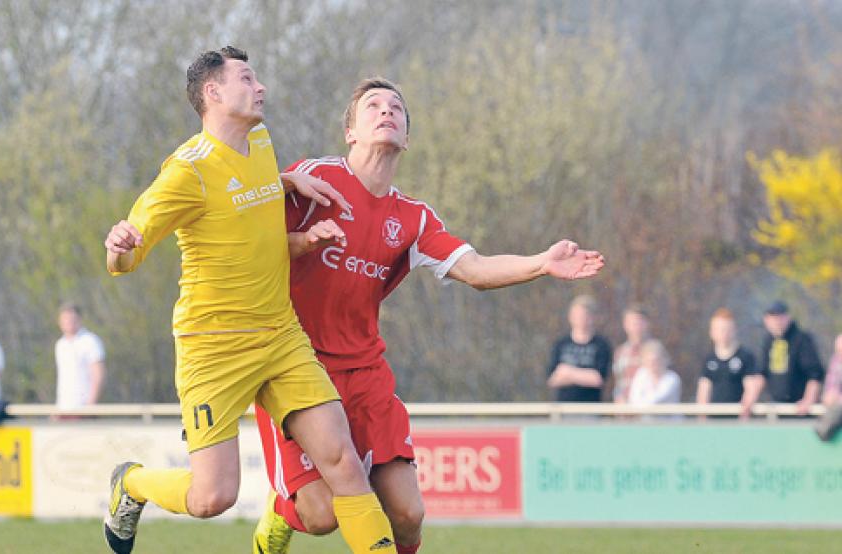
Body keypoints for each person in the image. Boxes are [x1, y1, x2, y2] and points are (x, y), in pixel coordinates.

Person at [252, 77, 605, 554]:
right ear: (350, 131)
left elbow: (476, 269)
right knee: (319, 516)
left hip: (365, 376)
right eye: (373, 106)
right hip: (297, 368)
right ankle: (278, 515)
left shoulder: (413, 217)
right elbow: (242, 222)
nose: (386, 111)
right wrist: (280, 184)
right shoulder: (316, 179)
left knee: (408, 514)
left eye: (396, 107)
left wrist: (541, 262)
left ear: (408, 137)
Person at [101, 47, 395, 554]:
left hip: (281, 337)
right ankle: (130, 483)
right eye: (247, 78)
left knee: (344, 462)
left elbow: (244, 196)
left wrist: (285, 181)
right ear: (213, 93)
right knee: (212, 497)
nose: (260, 88)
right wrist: (119, 249)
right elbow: (126, 258)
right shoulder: (184, 172)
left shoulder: (259, 139)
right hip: (213, 348)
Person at [754, 300, 824, 416]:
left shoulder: (801, 340)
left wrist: (808, 400)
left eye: (780, 317)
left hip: (798, 409)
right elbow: (762, 373)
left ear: (788, 317)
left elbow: (815, 374)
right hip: (776, 408)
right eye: (773, 318)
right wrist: (750, 399)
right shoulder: (768, 342)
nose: (777, 322)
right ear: (766, 320)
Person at [695, 308, 761, 418]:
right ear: (712, 332)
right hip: (714, 421)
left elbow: (751, 388)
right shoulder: (709, 359)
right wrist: (702, 416)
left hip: (737, 422)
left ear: (734, 330)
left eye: (726, 329)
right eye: (719, 329)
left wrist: (744, 413)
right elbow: (704, 390)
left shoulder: (745, 357)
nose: (723, 333)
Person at [547, 295, 613, 402]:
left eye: (584, 315)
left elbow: (598, 379)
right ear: (570, 317)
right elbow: (553, 379)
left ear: (592, 317)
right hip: (563, 409)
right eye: (577, 315)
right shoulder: (561, 344)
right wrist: (585, 376)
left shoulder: (601, 345)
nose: (580, 319)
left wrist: (568, 372)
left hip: (590, 409)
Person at [54, 302, 105, 413]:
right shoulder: (60, 344)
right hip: (63, 408)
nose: (68, 322)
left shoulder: (90, 341)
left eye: (72, 319)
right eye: (65, 319)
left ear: (79, 320)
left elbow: (98, 374)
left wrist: (90, 406)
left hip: (83, 407)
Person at [628, 339, 681, 417]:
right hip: (646, 424)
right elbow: (633, 399)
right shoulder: (641, 374)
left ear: (664, 359)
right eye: (649, 361)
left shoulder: (672, 378)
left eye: (656, 361)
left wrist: (639, 405)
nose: (653, 365)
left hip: (670, 424)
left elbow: (655, 400)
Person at [611, 304, 651, 403]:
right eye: (632, 322)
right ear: (625, 325)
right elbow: (619, 383)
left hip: (648, 410)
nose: (636, 326)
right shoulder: (620, 352)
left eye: (639, 322)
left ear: (647, 324)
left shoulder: (655, 351)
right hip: (625, 410)